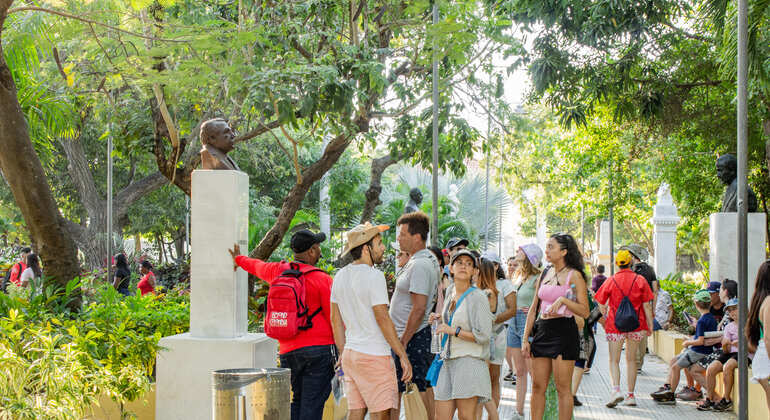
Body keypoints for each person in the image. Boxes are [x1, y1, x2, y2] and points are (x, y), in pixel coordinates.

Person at [229, 229, 334, 420]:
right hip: (318, 352)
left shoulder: (278, 271)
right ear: (311, 251)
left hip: (288, 351)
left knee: (297, 400)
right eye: (317, 248)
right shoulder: (322, 279)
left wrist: (239, 259)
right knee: (312, 403)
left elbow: (256, 266)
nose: (319, 251)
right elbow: (334, 318)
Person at [330, 223, 412, 420]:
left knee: (356, 411)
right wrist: (402, 355)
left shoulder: (339, 276)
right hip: (374, 356)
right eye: (379, 243)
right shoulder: (374, 276)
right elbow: (383, 318)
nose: (383, 248)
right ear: (366, 249)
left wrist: (343, 352)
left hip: (351, 355)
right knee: (380, 414)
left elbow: (335, 320)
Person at [522, 234, 590, 420]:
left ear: (564, 251)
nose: (547, 250)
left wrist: (563, 300)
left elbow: (585, 311)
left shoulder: (574, 275)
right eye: (547, 246)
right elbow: (533, 308)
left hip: (564, 332)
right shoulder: (545, 273)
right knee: (537, 386)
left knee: (562, 388)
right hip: (542, 331)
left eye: (551, 247)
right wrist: (525, 338)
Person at [430, 250, 494, 420]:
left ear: (475, 271)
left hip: (469, 361)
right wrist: (439, 317)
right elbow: (455, 317)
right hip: (448, 360)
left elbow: (484, 335)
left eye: (469, 263)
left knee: (466, 416)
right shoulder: (450, 290)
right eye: (459, 262)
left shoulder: (478, 297)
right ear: (451, 268)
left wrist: (454, 331)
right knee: (441, 416)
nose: (464, 266)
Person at [390, 212, 440, 420]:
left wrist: (403, 341)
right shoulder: (424, 259)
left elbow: (419, 308)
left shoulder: (420, 264)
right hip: (413, 336)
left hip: (412, 336)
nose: (398, 239)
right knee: (420, 386)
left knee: (414, 390)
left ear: (417, 237)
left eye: (402, 234)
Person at [595, 250, 654, 407]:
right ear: (631, 263)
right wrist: (650, 325)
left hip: (615, 326)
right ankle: (631, 396)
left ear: (616, 264)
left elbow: (600, 302)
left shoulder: (611, 280)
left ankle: (615, 390)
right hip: (637, 325)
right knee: (631, 361)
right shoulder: (640, 280)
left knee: (614, 360)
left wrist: (605, 317)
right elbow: (647, 305)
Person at [651, 290, 718, 405]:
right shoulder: (711, 318)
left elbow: (701, 341)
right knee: (674, 361)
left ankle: (671, 394)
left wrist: (688, 343)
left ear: (696, 304)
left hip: (698, 351)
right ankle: (669, 389)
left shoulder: (702, 321)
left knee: (676, 368)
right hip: (701, 350)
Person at [505, 244, 542, 419]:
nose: (517, 252)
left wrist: (534, 311)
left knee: (533, 373)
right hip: (513, 322)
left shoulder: (538, 277)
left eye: (521, 250)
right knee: (519, 371)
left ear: (528, 256)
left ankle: (538, 410)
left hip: (527, 323)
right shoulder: (518, 276)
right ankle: (518, 411)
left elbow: (542, 302)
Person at [478, 254, 516, 419]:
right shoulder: (475, 285)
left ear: (497, 266)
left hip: (498, 335)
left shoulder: (505, 284)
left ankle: (492, 416)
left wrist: (492, 320)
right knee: (479, 379)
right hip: (478, 337)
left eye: (492, 263)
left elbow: (512, 309)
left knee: (494, 377)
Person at [697, 298, 746, 412]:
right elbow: (727, 351)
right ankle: (710, 398)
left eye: (735, 309)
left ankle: (726, 399)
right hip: (731, 353)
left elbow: (752, 345)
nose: (732, 312)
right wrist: (725, 345)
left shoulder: (748, 324)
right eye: (730, 311)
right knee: (711, 368)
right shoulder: (729, 327)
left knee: (728, 367)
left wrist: (740, 343)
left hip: (743, 353)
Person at [620, 244, 657, 373]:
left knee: (632, 333)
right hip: (646, 306)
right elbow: (655, 290)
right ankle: (639, 363)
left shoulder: (631, 271)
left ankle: (634, 363)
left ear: (633, 256)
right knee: (643, 335)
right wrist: (653, 308)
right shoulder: (650, 270)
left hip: (633, 307)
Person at [746, 260, 770, 414]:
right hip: (767, 358)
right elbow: (768, 337)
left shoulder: (761, 300)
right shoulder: (769, 302)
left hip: (763, 357)